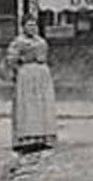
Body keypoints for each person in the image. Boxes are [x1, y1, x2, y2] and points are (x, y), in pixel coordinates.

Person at [6, 16, 57, 152]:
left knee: (43, 103)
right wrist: (18, 70)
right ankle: (26, 138)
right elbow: (11, 59)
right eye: (29, 25)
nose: (32, 28)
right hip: (27, 73)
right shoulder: (18, 42)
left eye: (34, 25)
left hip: (41, 73)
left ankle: (42, 137)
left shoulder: (41, 41)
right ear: (23, 27)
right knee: (27, 104)